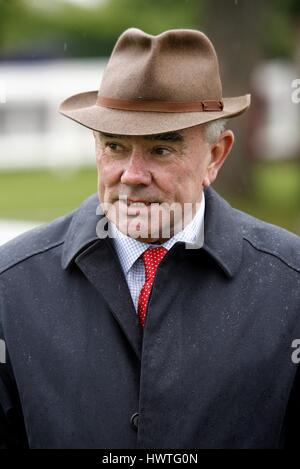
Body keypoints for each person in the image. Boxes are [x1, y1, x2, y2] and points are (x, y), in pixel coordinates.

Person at [0, 27, 300, 450]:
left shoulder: (290, 286)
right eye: (116, 147)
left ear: (216, 155)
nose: (132, 176)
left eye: (161, 149)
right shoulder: (10, 287)